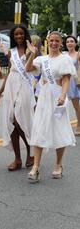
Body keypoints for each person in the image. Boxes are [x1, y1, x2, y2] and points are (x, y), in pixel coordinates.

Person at [25, 31, 76, 182]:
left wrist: (63, 95)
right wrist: (31, 54)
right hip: (44, 97)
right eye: (51, 40)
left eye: (57, 41)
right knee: (39, 128)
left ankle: (58, 164)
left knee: (59, 129)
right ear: (48, 41)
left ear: (61, 43)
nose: (54, 43)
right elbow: (28, 69)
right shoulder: (42, 59)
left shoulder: (64, 59)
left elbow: (66, 79)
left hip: (58, 96)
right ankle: (35, 167)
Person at [0, 25, 35, 171]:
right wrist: (0, 92)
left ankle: (31, 152)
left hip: (24, 86)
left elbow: (34, 70)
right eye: (16, 34)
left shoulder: (31, 50)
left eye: (21, 34)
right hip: (11, 85)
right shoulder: (11, 52)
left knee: (20, 121)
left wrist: (32, 54)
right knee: (10, 121)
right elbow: (10, 72)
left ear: (25, 35)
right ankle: (17, 159)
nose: (19, 36)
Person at [63, 35, 80, 136]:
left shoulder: (78, 54)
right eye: (68, 42)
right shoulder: (63, 55)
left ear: (75, 43)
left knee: (77, 107)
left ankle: (79, 125)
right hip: (67, 82)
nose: (69, 43)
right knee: (71, 106)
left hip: (76, 81)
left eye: (72, 41)